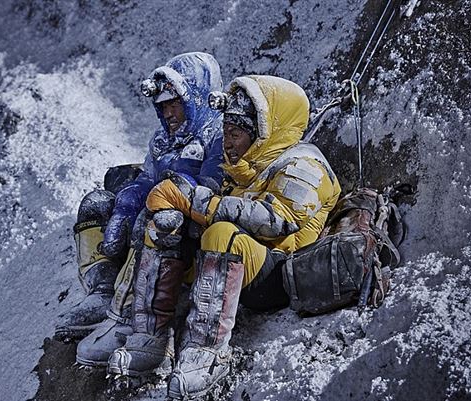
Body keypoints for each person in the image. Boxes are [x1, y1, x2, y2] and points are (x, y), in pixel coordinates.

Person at [106, 75, 342, 399]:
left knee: (221, 233)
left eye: (236, 133)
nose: (228, 143)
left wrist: (198, 202)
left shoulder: (305, 165)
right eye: (225, 133)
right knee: (166, 224)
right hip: (236, 267)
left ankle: (207, 352)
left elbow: (276, 220)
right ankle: (148, 336)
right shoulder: (246, 166)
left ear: (263, 130)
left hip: (277, 273)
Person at [55, 52, 224, 366]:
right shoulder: (162, 139)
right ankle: (103, 290)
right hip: (155, 212)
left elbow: (210, 187)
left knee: (156, 219)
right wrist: (126, 204)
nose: (168, 113)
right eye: (162, 106)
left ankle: (132, 314)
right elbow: (147, 177)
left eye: (175, 104)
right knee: (97, 204)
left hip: (187, 232)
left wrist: (158, 197)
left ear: (197, 98)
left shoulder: (218, 136)